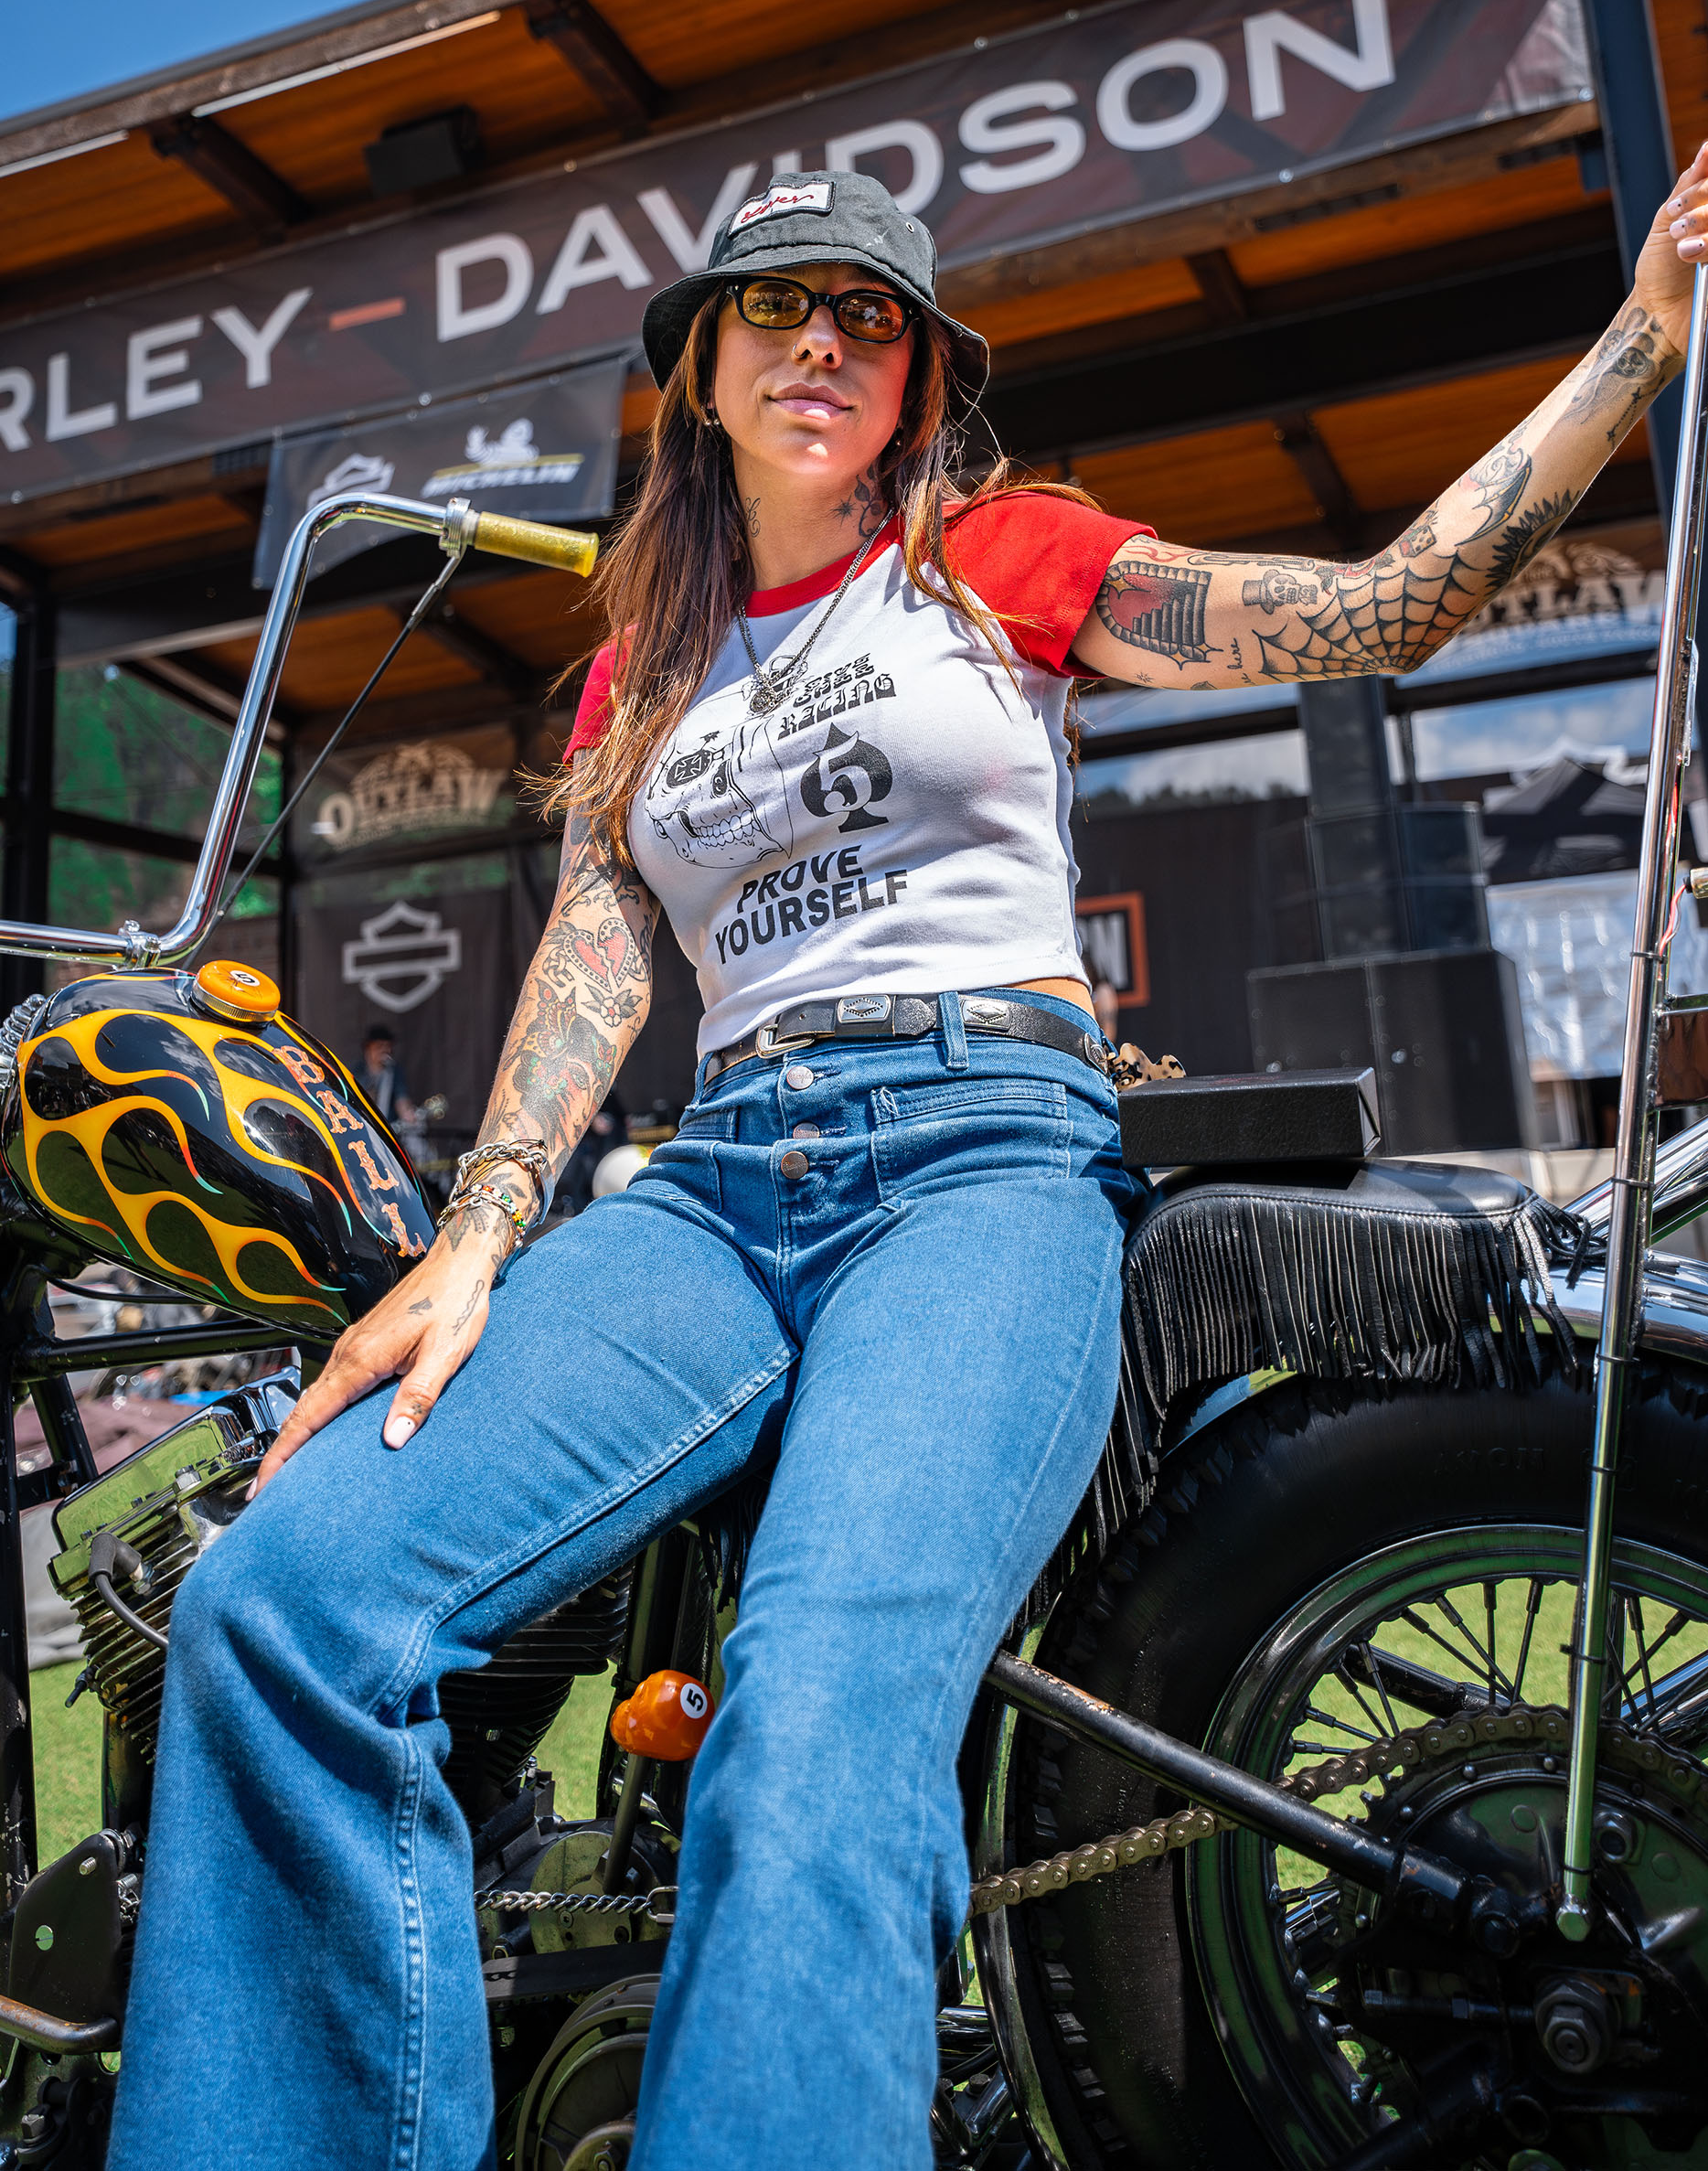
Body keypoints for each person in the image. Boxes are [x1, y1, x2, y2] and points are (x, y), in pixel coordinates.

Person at [110, 155, 1708, 2171]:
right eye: (780, 307)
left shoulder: (999, 558)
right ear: (699, 367)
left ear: (920, 379)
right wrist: (477, 1236)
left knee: (815, 1724)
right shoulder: (645, 662)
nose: (824, 344)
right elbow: (597, 958)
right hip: (707, 1186)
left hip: (981, 1159)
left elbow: (1384, 609)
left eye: (871, 318)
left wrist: (1639, 331)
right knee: (282, 1606)